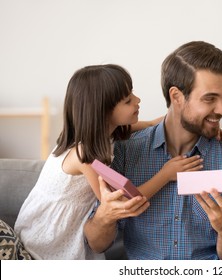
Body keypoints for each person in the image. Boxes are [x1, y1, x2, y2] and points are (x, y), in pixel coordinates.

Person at [84, 41, 222, 260]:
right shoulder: (125, 153)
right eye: (210, 98)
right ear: (176, 96)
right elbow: (97, 243)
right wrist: (105, 216)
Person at [14, 64, 203, 260]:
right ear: (103, 112)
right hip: (47, 237)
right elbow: (122, 203)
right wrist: (166, 174)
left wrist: (199, 120)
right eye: (128, 100)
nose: (138, 100)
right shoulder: (84, 154)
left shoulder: (105, 133)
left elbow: (150, 124)